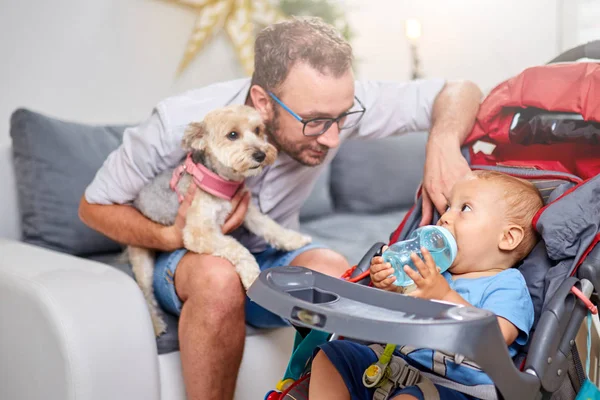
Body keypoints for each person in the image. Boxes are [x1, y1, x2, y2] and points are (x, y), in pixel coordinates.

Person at [78, 16, 482, 400]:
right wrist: (169, 234)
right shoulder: (177, 121)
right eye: (316, 122)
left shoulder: (330, 103)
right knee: (219, 276)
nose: (333, 139)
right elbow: (93, 207)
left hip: (268, 253)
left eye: (343, 118)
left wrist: (442, 144)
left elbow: (460, 89)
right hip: (186, 256)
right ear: (262, 101)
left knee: (333, 270)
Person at [308, 170, 544, 400]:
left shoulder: (508, 285)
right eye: (448, 206)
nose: (445, 217)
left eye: (465, 208)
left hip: (455, 387)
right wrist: (389, 285)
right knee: (332, 356)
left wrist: (444, 295)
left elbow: (498, 335)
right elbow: (397, 308)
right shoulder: (434, 271)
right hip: (391, 366)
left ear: (507, 238)